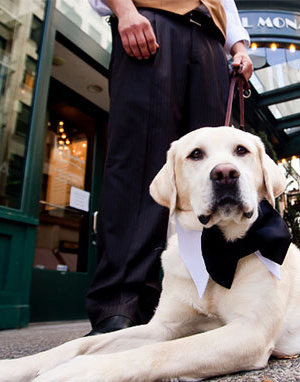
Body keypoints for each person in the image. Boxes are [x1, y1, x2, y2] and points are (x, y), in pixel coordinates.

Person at [86, 0, 253, 335]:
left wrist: (239, 47)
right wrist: (126, 12)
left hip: (210, 45)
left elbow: (226, 5)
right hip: (150, 25)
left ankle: (210, 302)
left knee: (209, 178)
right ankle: (122, 305)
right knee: (138, 162)